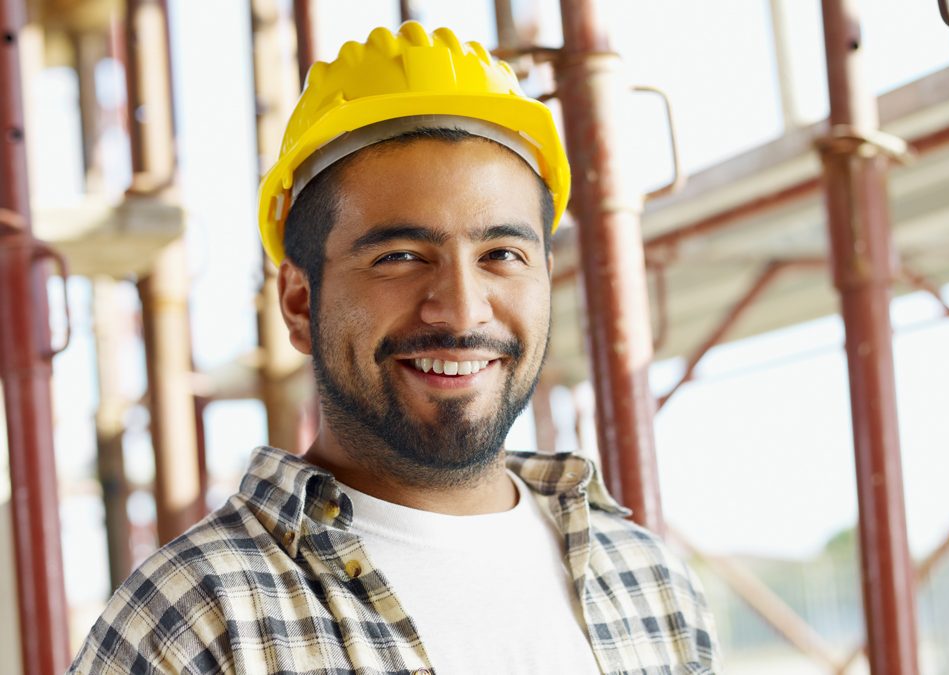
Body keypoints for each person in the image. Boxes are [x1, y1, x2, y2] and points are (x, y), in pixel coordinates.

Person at [71, 22, 721, 674]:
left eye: (502, 254)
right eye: (401, 255)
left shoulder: (649, 580)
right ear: (300, 301)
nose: (463, 307)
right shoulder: (192, 622)